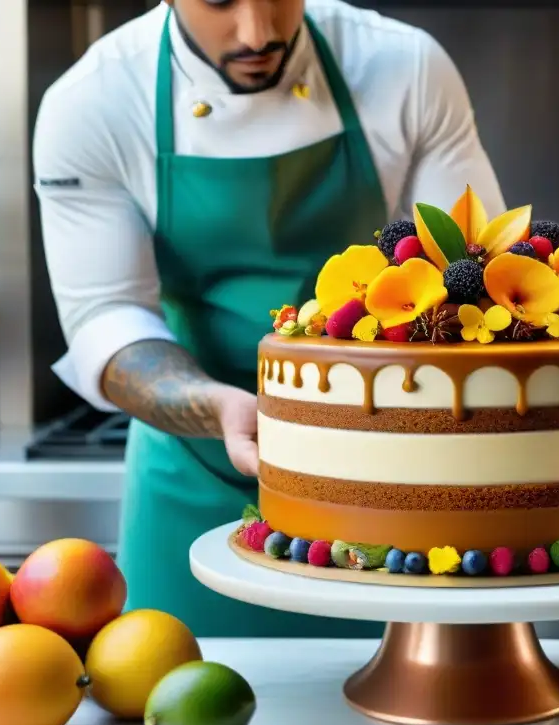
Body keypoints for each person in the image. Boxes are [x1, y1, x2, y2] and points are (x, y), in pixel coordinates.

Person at [33, 0, 505, 638]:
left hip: (385, 478)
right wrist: (214, 406)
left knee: (407, 712)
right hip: (194, 466)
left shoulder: (405, 67)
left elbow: (467, 271)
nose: (257, 32)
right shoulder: (94, 101)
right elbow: (105, 315)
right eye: (220, 1)